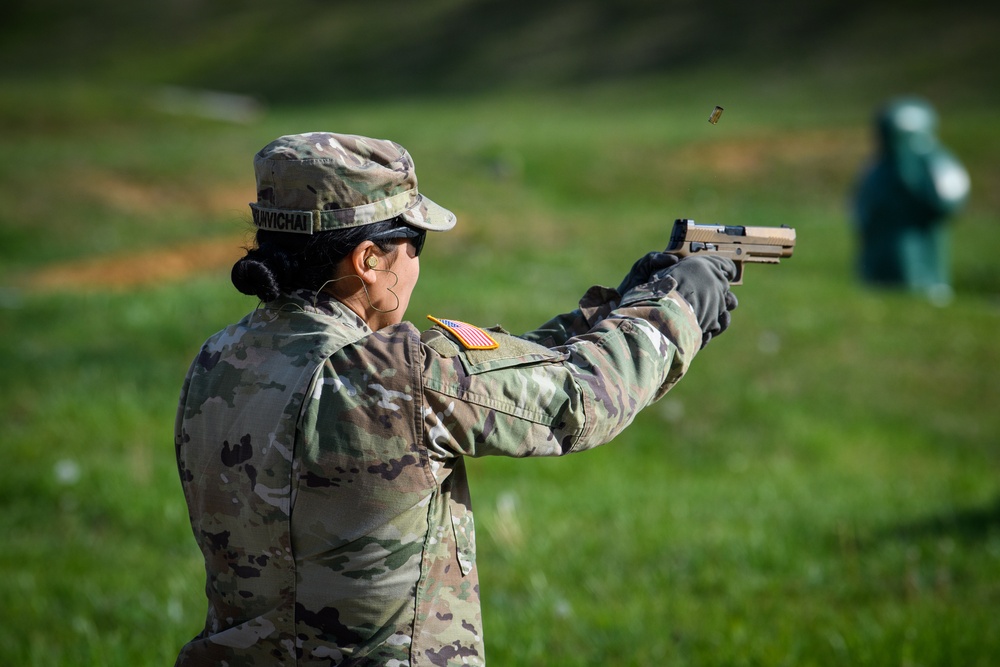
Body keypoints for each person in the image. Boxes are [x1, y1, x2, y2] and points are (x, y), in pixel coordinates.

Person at [174, 132, 738, 666]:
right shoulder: (396, 376)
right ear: (368, 260)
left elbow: (498, 377)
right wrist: (677, 308)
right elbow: (583, 396)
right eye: (414, 244)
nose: (418, 263)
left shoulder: (217, 360)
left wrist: (615, 305)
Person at [852, 96, 970, 303]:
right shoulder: (877, 167)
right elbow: (861, 203)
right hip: (878, 254)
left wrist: (915, 181)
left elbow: (950, 199)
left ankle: (928, 288)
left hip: (920, 253)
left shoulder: (933, 162)